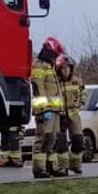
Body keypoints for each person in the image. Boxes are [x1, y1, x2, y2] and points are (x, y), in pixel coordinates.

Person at [30, 38, 65, 179]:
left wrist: (60, 109)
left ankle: (52, 167)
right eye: (55, 54)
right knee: (43, 137)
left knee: (53, 138)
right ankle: (38, 169)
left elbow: (56, 91)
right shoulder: (39, 66)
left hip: (54, 111)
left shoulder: (50, 67)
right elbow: (39, 88)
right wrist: (44, 109)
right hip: (46, 111)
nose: (56, 58)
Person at [57, 55, 86, 175]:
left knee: (79, 140)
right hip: (60, 115)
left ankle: (75, 165)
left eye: (68, 68)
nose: (66, 70)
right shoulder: (56, 82)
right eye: (63, 68)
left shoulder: (77, 81)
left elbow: (83, 92)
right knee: (61, 142)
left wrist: (81, 102)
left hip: (74, 115)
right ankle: (62, 167)